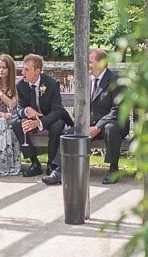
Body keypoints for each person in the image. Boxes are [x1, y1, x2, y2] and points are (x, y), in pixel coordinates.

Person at [43, 48, 128, 186]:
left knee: (110, 128)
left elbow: (117, 111)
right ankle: (59, 171)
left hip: (113, 124)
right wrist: (83, 123)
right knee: (67, 134)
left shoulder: (116, 81)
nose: (87, 64)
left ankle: (113, 170)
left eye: (90, 62)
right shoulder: (85, 81)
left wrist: (98, 127)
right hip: (90, 125)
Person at [12, 53, 72, 178]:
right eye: (23, 68)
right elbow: (19, 109)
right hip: (32, 117)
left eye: (27, 70)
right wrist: (27, 110)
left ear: (37, 71)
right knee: (17, 124)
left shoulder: (51, 83)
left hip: (51, 117)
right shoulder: (20, 85)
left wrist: (39, 122)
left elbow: (57, 111)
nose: (23, 72)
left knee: (57, 125)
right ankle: (35, 163)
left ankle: (51, 164)